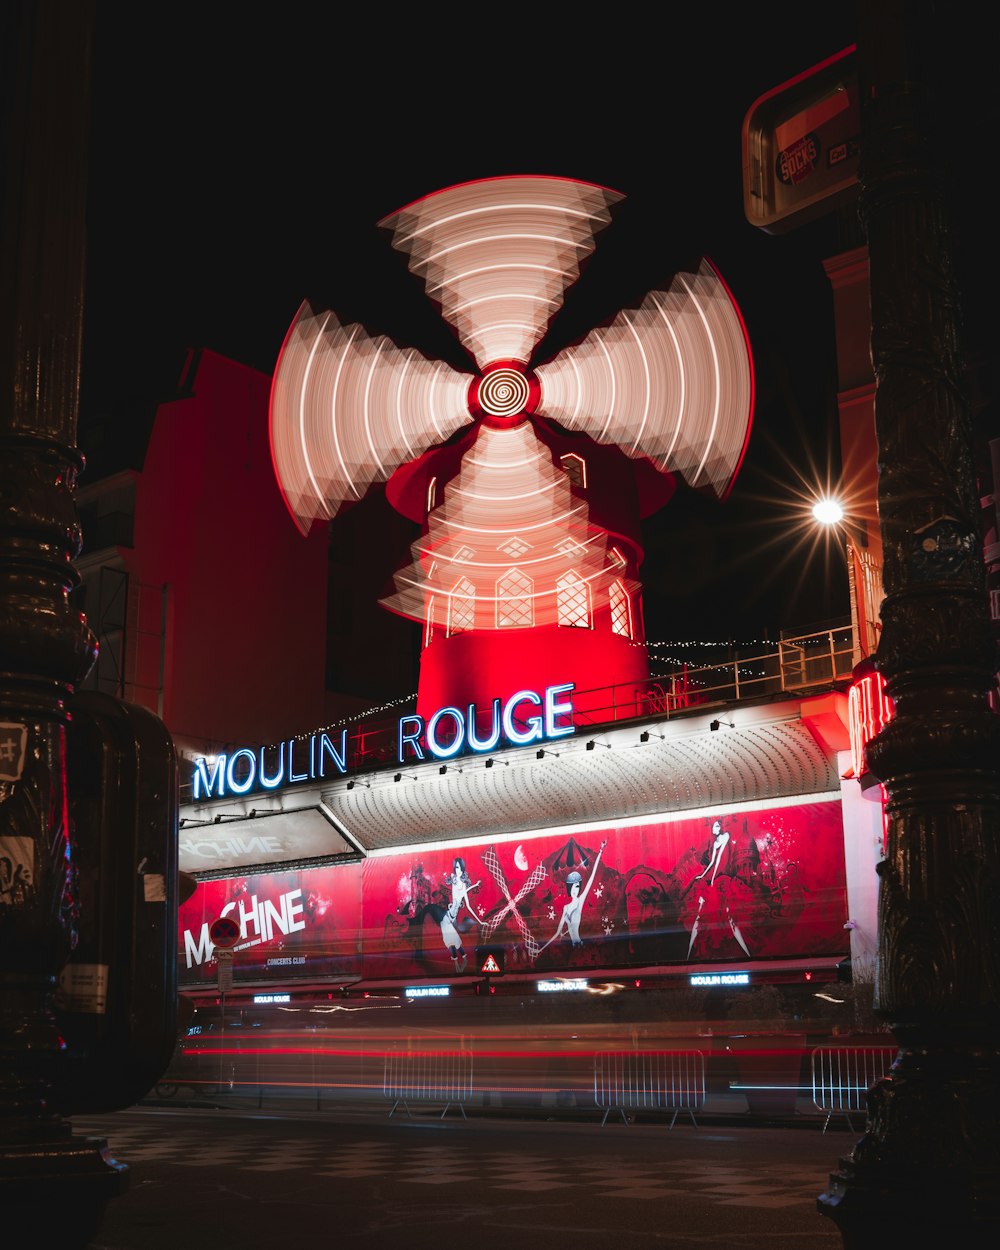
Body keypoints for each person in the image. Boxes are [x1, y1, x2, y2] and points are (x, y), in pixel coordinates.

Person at [684, 820, 751, 959]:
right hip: (714, 879)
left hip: (723, 879)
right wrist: (703, 875)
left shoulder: (726, 836)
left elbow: (721, 858)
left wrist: (713, 878)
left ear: (720, 827)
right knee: (700, 915)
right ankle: (688, 954)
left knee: (729, 915)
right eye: (713, 826)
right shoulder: (714, 843)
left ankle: (748, 953)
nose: (713, 829)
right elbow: (713, 862)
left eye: (715, 826)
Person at [540, 840, 607, 951]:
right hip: (573, 948)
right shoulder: (565, 908)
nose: (575, 890)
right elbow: (558, 932)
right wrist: (541, 949)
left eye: (577, 886)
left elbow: (592, 878)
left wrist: (600, 851)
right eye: (572, 887)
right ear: (569, 888)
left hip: (580, 945)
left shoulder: (580, 901)